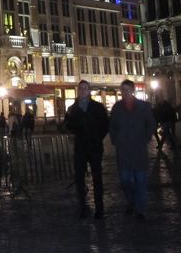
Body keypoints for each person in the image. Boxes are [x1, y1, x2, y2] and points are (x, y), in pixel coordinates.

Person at [109, 80, 156, 220]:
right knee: (125, 181)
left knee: (140, 181)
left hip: (139, 150)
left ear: (133, 90)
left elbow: (151, 123)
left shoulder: (143, 106)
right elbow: (112, 126)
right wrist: (115, 140)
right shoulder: (117, 108)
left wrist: (146, 138)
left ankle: (140, 209)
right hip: (123, 151)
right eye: (123, 90)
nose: (125, 92)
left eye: (127, 89)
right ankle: (131, 200)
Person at [64, 80, 109, 219]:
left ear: (89, 91)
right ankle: (82, 207)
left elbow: (105, 125)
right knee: (79, 179)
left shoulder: (98, 107)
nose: (83, 90)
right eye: (81, 88)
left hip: (95, 147)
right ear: (78, 90)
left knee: (97, 178)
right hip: (80, 148)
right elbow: (67, 125)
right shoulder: (72, 109)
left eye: (85, 88)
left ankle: (99, 208)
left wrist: (97, 138)